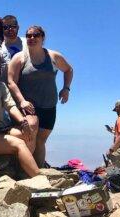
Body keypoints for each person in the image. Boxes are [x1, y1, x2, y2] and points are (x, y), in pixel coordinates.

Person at [8, 25, 73, 167]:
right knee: (30, 135)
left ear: (42, 38)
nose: (32, 38)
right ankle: (26, 171)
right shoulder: (20, 57)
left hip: (49, 106)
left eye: (36, 35)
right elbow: (11, 81)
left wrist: (66, 88)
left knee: (40, 141)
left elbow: (68, 69)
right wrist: (22, 101)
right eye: (29, 35)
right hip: (29, 106)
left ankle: (38, 171)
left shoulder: (53, 56)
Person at [0, 15, 26, 80]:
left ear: (18, 27)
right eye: (5, 27)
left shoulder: (27, 42)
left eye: (13, 26)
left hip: (26, 86)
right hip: (4, 88)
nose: (10, 29)